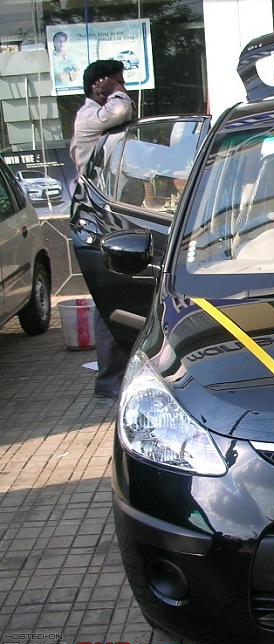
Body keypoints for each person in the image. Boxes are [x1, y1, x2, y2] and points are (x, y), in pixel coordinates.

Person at [70, 59, 135, 399]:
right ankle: (109, 378)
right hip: (97, 218)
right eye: (116, 81)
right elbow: (122, 110)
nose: (121, 87)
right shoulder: (88, 117)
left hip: (110, 213)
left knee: (119, 295)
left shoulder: (98, 116)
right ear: (98, 84)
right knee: (111, 295)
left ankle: (116, 374)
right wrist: (118, 92)